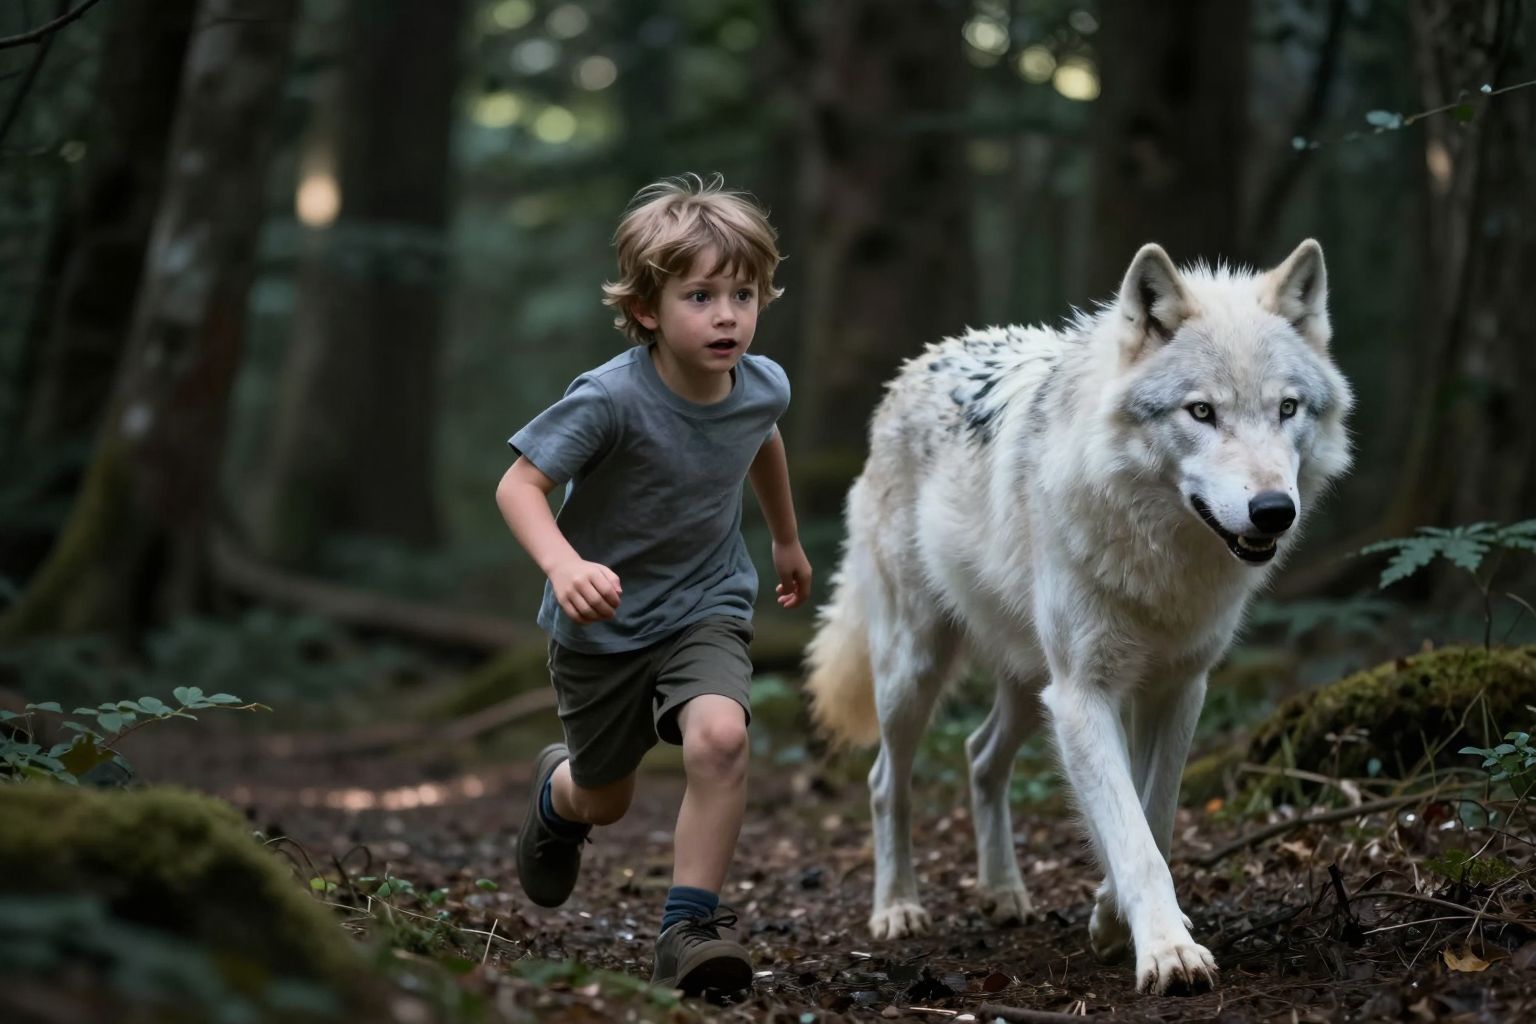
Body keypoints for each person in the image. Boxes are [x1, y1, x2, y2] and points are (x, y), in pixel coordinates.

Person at [495, 173, 812, 998]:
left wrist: (783, 538)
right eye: (700, 296)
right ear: (645, 309)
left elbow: (762, 437)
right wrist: (564, 565)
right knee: (605, 799)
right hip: (602, 626)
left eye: (743, 294)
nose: (727, 315)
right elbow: (518, 486)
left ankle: (687, 931)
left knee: (721, 738)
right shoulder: (609, 399)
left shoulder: (763, 385)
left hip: (706, 603)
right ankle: (557, 796)